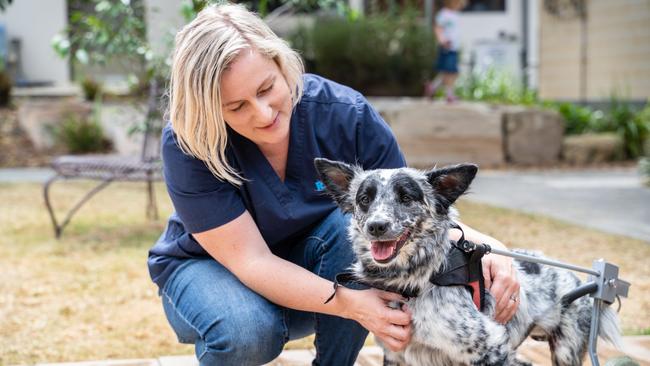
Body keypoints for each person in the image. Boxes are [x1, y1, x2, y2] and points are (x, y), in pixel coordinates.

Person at [147, 3, 520, 365]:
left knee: (360, 229)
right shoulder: (188, 143)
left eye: (266, 89)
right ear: (208, 109)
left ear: (282, 63)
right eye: (236, 107)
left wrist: (491, 248)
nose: (263, 114)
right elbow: (251, 261)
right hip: (212, 273)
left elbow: (414, 212)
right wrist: (348, 302)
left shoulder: (346, 114)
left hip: (315, 268)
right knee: (248, 333)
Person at [424, 0, 466, 102]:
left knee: (448, 72)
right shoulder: (444, 15)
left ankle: (433, 87)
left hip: (454, 48)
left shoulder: (454, 15)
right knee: (451, 72)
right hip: (447, 47)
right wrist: (442, 41)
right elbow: (438, 28)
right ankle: (449, 94)